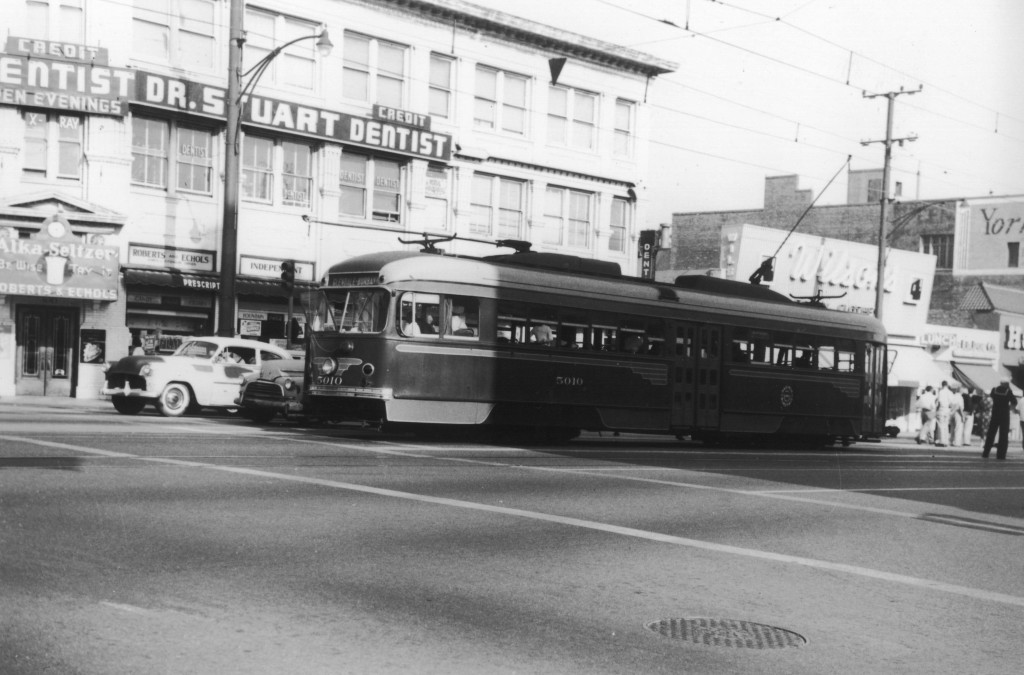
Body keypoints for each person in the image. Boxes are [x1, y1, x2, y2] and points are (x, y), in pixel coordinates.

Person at [982, 377, 1018, 460]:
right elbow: (1014, 401)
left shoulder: (994, 390)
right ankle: (1001, 455)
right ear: (1007, 384)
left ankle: (986, 452)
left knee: (991, 433)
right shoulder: (1008, 391)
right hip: (1004, 415)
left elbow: (991, 398)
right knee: (1003, 435)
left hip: (995, 413)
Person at [934, 380, 956, 447]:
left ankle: (941, 441)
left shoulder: (941, 392)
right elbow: (952, 403)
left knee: (941, 425)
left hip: (941, 409)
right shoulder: (950, 392)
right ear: (947, 385)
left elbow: (939, 402)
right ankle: (946, 441)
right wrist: (951, 410)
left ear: (942, 385)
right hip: (947, 410)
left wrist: (936, 410)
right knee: (946, 426)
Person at [949, 382, 964, 447]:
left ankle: (951, 441)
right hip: (958, 413)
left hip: (951, 412)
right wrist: (962, 415)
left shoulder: (952, 395)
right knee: (958, 428)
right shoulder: (959, 396)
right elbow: (959, 406)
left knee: (952, 428)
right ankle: (957, 442)